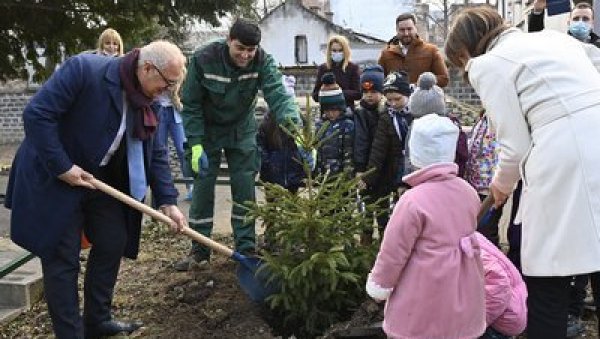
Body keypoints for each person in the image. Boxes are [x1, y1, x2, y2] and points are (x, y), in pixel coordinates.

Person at [4, 40, 188, 338]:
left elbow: (155, 153)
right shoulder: (85, 70)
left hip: (96, 178)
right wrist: (63, 167)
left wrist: (168, 200)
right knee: (62, 258)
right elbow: (36, 115)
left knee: (113, 238)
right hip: (54, 175)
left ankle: (97, 321)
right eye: (167, 83)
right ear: (147, 68)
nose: (167, 91)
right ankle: (70, 333)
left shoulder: (146, 98)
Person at [445, 6, 600, 338]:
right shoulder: (555, 40)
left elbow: (514, 145)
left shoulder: (488, 65)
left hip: (563, 157)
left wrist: (499, 187)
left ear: (464, 51)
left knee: (546, 273)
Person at [176, 18, 300, 271]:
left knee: (244, 188)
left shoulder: (262, 61)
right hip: (208, 131)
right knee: (202, 187)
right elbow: (191, 105)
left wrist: (296, 131)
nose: (245, 55)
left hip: (241, 130)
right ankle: (199, 250)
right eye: (240, 48)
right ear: (229, 40)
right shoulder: (204, 58)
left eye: (250, 50)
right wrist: (196, 144)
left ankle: (245, 248)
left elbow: (278, 94)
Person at [366, 113, 485, 338]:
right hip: (463, 286)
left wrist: (380, 284)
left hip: (424, 291)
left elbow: (394, 251)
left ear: (416, 153)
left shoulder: (413, 201)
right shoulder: (467, 192)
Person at [361, 71, 413, 230]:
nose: (393, 104)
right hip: (392, 168)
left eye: (397, 99)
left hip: (413, 169)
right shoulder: (386, 117)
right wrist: (368, 177)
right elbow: (378, 149)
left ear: (407, 95)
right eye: (389, 100)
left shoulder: (416, 115)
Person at [353, 65, 386, 244]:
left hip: (382, 170)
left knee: (382, 209)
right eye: (365, 92)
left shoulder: (385, 113)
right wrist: (360, 169)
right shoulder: (360, 113)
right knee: (364, 208)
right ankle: (365, 243)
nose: (369, 95)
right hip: (365, 170)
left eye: (373, 91)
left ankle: (383, 241)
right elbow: (360, 142)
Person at [476, 232, 528, 339]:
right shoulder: (464, 237)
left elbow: (498, 285)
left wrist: (477, 324)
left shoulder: (467, 247)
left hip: (500, 319)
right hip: (499, 312)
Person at [464, 109, 503, 247]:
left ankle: (494, 261)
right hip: (476, 182)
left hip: (491, 185)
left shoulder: (500, 120)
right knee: (478, 227)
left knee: (486, 228)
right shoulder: (483, 119)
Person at [378, 13, 449, 86]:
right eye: (402, 30)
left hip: (423, 97)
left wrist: (419, 85)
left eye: (409, 29)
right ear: (397, 30)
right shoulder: (386, 54)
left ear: (415, 28)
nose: (406, 33)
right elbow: (379, 80)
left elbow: (444, 79)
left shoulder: (431, 51)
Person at [152, 79, 194, 202]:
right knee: (161, 151)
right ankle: (163, 189)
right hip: (158, 109)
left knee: (183, 149)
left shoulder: (180, 72)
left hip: (175, 110)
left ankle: (191, 186)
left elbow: (186, 89)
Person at [315, 72, 355, 176]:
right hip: (323, 175)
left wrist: (347, 174)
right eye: (327, 111)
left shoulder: (348, 125)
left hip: (341, 176)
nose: (330, 114)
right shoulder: (320, 125)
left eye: (334, 110)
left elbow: (349, 152)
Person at [311, 35, 361, 109]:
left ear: (345, 51)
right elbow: (315, 95)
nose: (337, 53)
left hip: (346, 111)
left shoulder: (352, 68)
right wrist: (327, 93)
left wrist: (338, 93)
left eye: (340, 50)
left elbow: (358, 94)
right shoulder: (323, 68)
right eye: (334, 50)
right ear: (330, 51)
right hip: (327, 112)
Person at [528, 1, 600, 47]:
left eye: (585, 19)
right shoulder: (560, 45)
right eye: (576, 19)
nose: (580, 22)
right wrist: (537, 10)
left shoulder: (598, 47)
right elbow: (536, 39)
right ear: (569, 22)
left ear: (592, 23)